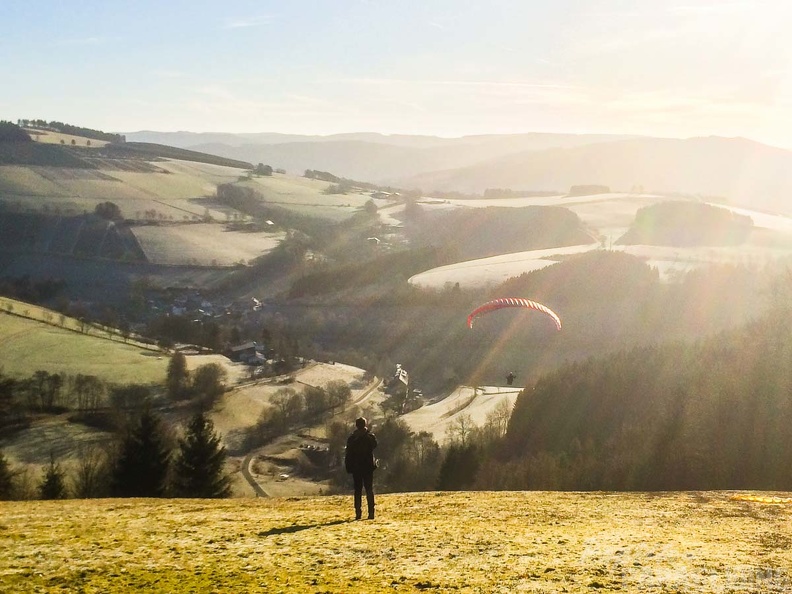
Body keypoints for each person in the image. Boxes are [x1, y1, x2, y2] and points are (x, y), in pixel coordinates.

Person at [345, 417, 377, 520]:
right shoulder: (370, 437)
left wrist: (349, 467)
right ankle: (371, 513)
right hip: (368, 467)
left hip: (356, 468)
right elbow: (374, 445)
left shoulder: (352, 438)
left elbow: (348, 453)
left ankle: (358, 513)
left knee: (357, 491)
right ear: (365, 424)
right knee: (369, 489)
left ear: (356, 425)